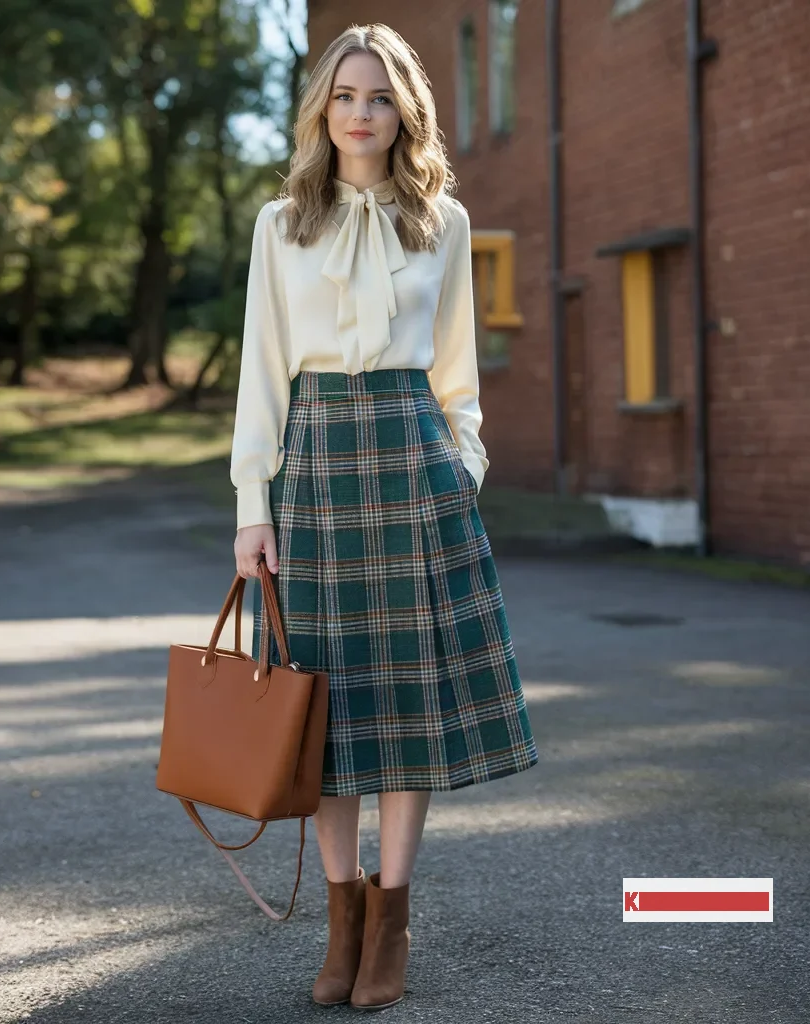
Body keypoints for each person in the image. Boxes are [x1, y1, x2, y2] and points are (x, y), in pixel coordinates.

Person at [230, 22, 538, 1012]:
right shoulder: (281, 224)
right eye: (345, 95)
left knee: (401, 711)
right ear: (322, 106)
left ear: (406, 109)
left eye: (379, 97)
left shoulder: (440, 220)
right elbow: (260, 377)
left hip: (414, 464)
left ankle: (392, 920)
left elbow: (457, 372)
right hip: (314, 462)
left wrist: (464, 467)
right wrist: (251, 505)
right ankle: (342, 918)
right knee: (322, 712)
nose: (361, 114)